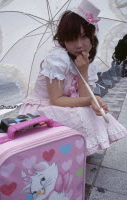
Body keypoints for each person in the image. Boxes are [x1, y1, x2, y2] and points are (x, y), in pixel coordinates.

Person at [19, 0, 127, 156]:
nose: (78, 45)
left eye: (84, 37)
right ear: (63, 41)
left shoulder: (86, 61)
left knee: (90, 110)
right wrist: (92, 100)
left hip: (64, 104)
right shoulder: (58, 58)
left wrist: (83, 71)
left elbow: (83, 97)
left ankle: (75, 151)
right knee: (84, 112)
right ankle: (70, 151)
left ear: (92, 36)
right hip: (43, 107)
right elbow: (56, 100)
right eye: (71, 39)